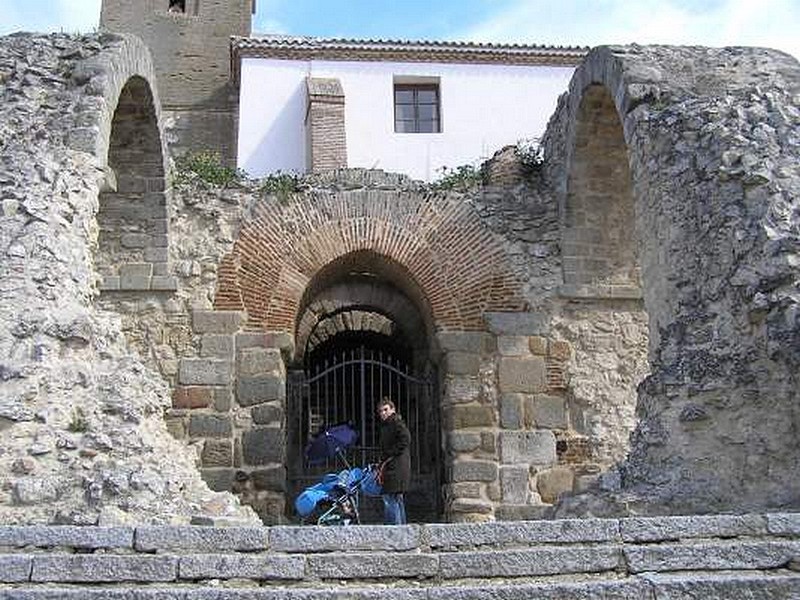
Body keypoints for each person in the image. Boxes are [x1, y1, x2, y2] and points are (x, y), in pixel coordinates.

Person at [377, 397, 411, 525]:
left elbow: (406, 439)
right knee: (397, 499)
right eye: (381, 411)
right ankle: (401, 530)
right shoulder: (387, 425)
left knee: (389, 498)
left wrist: (390, 453)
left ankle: (394, 531)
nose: (383, 413)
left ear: (393, 409)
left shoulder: (396, 423)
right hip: (393, 466)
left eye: (386, 410)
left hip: (396, 467)